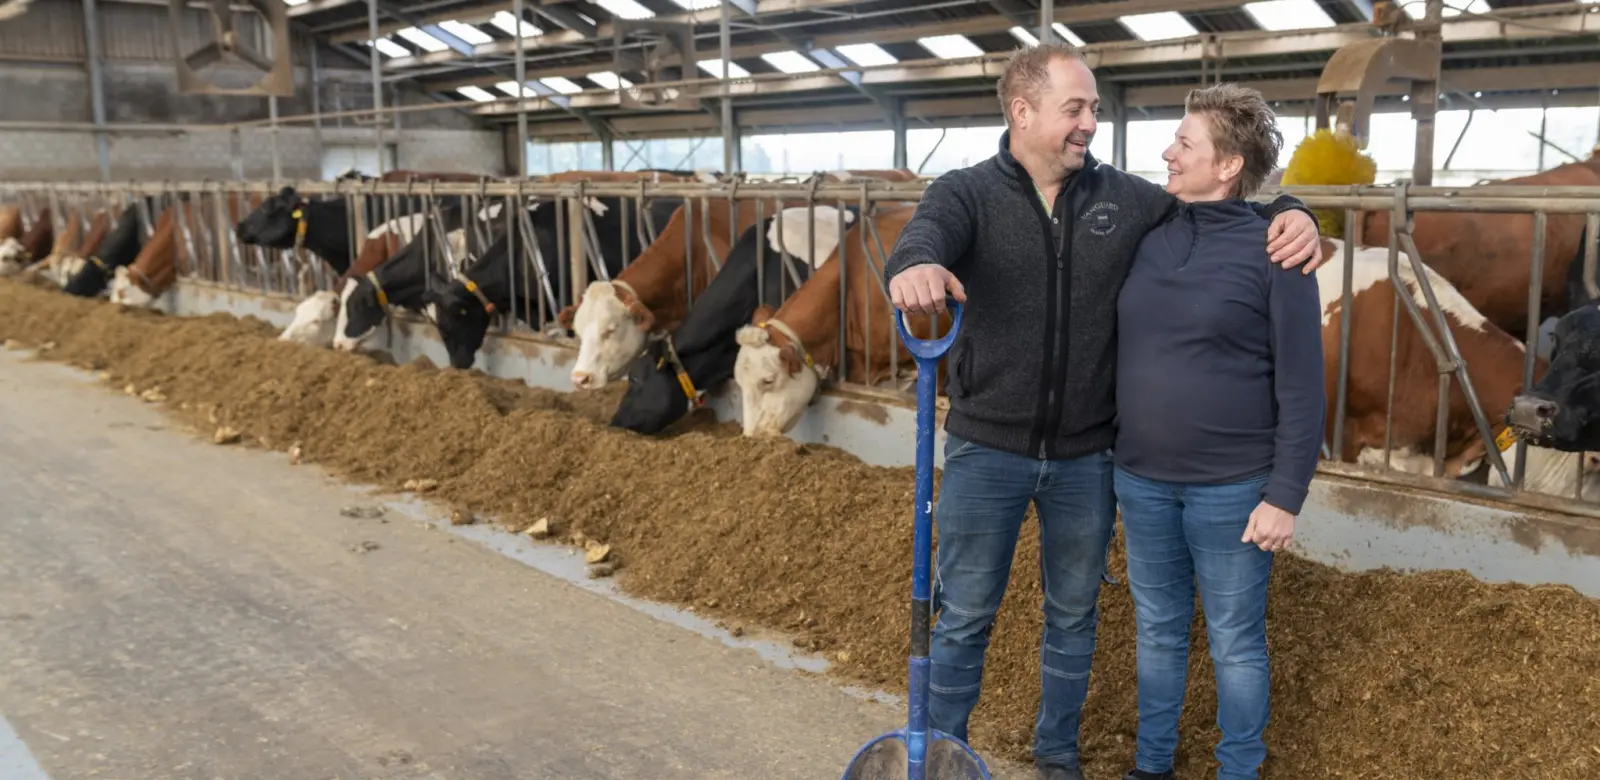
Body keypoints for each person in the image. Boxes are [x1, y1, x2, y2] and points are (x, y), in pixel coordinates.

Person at [881, 43, 1324, 780]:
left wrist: (1296, 211)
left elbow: (1237, 205)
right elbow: (924, 238)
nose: (1094, 123)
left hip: (1091, 457)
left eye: (1094, 107)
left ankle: (1057, 753)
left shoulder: (1129, 201)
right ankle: (941, 753)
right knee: (961, 614)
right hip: (990, 447)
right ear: (1023, 112)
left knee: (1076, 616)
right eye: (1077, 109)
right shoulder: (967, 192)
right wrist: (914, 266)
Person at [1111, 83, 1324, 780]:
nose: (1167, 153)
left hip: (1233, 490)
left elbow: (1301, 384)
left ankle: (1238, 768)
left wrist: (1285, 495)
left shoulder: (1277, 252)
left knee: (1234, 640)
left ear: (1228, 166)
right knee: (1158, 631)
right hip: (1140, 478)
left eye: (1184, 143)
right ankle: (1152, 766)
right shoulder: (1147, 231)